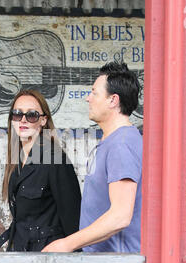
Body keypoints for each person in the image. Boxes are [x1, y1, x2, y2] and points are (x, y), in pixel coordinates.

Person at [42, 61, 142, 253]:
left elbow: (120, 215)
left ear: (113, 100)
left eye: (94, 92)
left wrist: (66, 244)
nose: (88, 98)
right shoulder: (114, 141)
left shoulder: (121, 145)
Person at [0, 90, 81, 252]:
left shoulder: (56, 160)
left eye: (31, 115)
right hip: (20, 253)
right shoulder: (17, 159)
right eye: (17, 114)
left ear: (43, 120)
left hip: (47, 258)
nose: (23, 120)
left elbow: (73, 221)